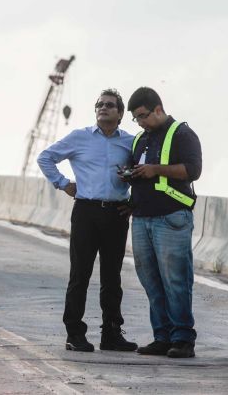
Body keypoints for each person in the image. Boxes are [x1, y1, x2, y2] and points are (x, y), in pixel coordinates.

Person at [37, 88, 138, 353]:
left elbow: (142, 172)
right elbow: (45, 157)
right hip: (86, 212)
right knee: (80, 275)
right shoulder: (79, 137)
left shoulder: (130, 142)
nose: (103, 108)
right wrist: (63, 183)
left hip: (116, 214)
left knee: (112, 277)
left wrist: (133, 201)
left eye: (109, 105)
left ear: (120, 113)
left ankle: (112, 334)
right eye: (99, 104)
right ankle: (74, 334)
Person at [124, 87, 202, 359]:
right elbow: (139, 174)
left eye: (143, 116)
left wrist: (155, 170)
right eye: (136, 119)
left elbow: (193, 170)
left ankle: (182, 338)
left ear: (157, 108)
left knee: (176, 280)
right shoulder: (139, 140)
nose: (140, 122)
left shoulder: (182, 134)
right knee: (151, 280)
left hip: (171, 218)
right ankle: (162, 336)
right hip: (142, 218)